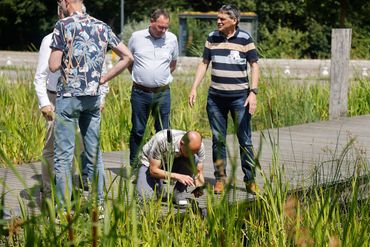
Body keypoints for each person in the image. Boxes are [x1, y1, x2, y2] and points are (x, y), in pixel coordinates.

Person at [49, 0, 133, 209]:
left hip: (69, 96)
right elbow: (127, 56)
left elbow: (52, 65)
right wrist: (103, 78)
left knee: (63, 156)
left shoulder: (63, 25)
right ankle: (99, 206)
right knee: (94, 154)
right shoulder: (101, 26)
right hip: (93, 97)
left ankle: (62, 208)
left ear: (67, 2)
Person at [34, 4, 107, 200]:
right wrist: (44, 103)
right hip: (55, 97)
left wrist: (103, 95)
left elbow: (100, 68)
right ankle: (49, 189)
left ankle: (68, 189)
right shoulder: (49, 39)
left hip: (85, 97)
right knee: (53, 146)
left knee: (77, 146)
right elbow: (41, 74)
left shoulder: (92, 34)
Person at [188, 4, 260, 195]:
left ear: (234, 20)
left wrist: (253, 92)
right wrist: (194, 87)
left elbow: (255, 66)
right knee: (218, 140)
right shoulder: (212, 37)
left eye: (222, 18)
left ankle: (250, 180)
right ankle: (220, 179)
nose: (218, 21)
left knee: (245, 140)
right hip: (216, 99)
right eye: (218, 18)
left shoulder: (245, 38)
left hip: (240, 99)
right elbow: (204, 64)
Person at [128, 9, 179, 169]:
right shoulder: (136, 37)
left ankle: (162, 167)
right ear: (151, 22)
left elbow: (173, 64)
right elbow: (129, 61)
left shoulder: (172, 38)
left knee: (164, 132)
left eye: (166, 27)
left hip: (162, 93)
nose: (163, 30)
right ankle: (135, 167)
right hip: (140, 92)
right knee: (138, 130)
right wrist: (143, 78)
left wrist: (158, 78)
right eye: (160, 27)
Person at [136, 129, 205, 205]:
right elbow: (153, 170)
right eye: (190, 151)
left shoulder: (198, 145)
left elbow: (199, 170)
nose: (193, 154)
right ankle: (157, 185)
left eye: (195, 151)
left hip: (173, 160)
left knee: (194, 160)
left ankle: (179, 192)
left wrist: (200, 185)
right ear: (182, 143)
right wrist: (177, 176)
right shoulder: (161, 140)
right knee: (144, 199)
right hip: (150, 164)